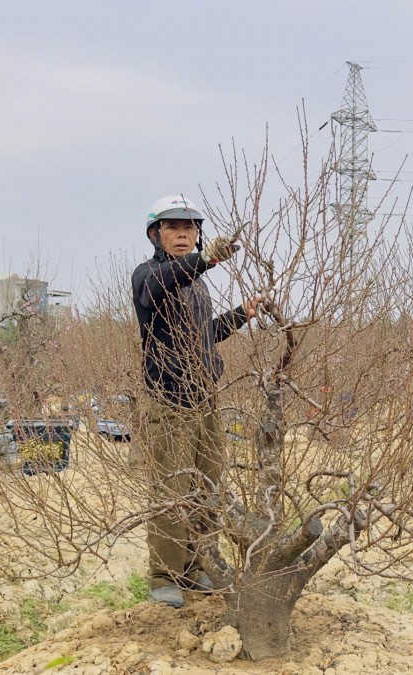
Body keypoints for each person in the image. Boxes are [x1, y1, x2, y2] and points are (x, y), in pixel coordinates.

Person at [131, 194, 260, 609]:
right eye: (172, 227)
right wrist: (207, 260)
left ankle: (197, 566)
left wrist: (242, 313)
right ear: (156, 234)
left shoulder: (197, 284)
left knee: (207, 487)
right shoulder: (149, 276)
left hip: (205, 399)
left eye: (190, 227)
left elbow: (207, 334)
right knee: (172, 489)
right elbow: (163, 284)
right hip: (168, 402)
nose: (183, 233)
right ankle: (163, 577)